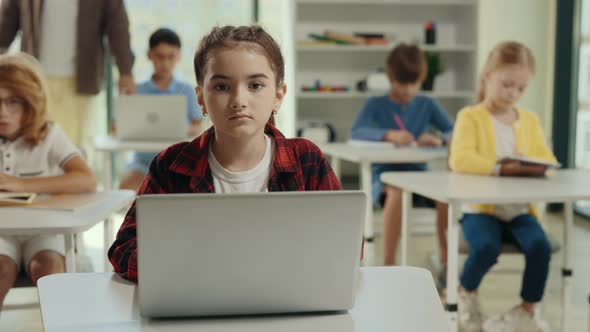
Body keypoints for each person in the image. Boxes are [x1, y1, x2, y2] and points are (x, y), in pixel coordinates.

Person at [108, 25, 342, 282]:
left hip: (286, 299)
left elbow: (345, 243)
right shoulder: (169, 166)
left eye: (255, 85)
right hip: (198, 301)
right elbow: (124, 249)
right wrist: (190, 265)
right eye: (221, 87)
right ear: (200, 98)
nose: (238, 100)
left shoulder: (307, 160)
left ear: (278, 96)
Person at [449, 41, 555, 332]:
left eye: (521, 88)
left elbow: (546, 157)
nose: (513, 93)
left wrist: (533, 164)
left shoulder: (530, 121)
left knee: (539, 246)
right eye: (507, 84)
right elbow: (460, 159)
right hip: (481, 210)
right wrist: (500, 167)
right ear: (487, 75)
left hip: (520, 209)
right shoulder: (469, 117)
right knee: (485, 247)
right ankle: (465, 295)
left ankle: (527, 310)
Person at [0, 53, 97, 309]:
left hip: (44, 230)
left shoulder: (49, 135)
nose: (3, 112)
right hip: (1, 232)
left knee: (49, 266)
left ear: (30, 103)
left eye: (13, 103)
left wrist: (21, 185)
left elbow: (86, 179)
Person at [350, 44, 452, 269]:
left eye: (413, 83)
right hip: (387, 178)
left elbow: (453, 131)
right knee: (396, 191)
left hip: (419, 177)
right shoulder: (376, 104)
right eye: (401, 83)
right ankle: (388, 263)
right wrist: (388, 134)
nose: (407, 90)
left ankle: (446, 261)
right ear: (390, 78)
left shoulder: (427, 104)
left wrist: (438, 139)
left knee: (444, 195)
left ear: (421, 79)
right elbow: (356, 131)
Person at [0, 0, 135, 151]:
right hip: (33, 81)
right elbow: (5, 27)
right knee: (32, 146)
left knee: (75, 147)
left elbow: (118, 26)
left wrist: (126, 71)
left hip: (80, 81)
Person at [118, 28, 204, 192]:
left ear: (178, 56)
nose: (165, 63)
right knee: (126, 186)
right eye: (159, 56)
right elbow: (117, 128)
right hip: (143, 163)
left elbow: (198, 127)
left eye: (170, 56)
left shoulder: (187, 90)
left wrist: (177, 129)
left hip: (177, 161)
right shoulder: (137, 90)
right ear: (149, 55)